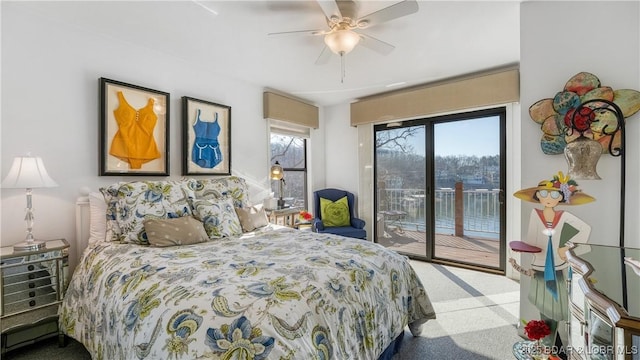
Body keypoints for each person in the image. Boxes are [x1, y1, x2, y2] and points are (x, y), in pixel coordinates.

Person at [510, 171, 595, 355]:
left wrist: (566, 248)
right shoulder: (535, 214)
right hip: (539, 267)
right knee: (543, 306)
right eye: (544, 194)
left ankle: (553, 347)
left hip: (557, 268)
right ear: (537, 197)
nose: (549, 198)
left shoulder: (564, 216)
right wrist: (524, 253)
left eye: (555, 194)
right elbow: (532, 240)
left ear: (561, 197)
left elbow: (585, 229)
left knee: (556, 307)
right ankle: (550, 346)